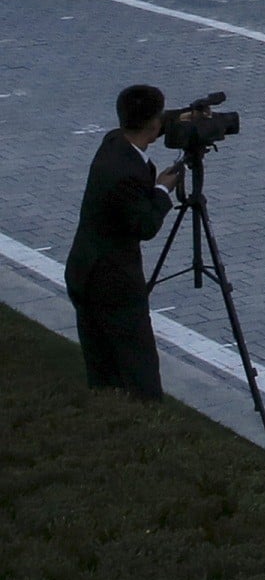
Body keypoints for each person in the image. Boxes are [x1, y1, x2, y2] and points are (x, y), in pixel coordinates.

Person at [64, 84, 180, 400]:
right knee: (137, 364)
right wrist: (162, 190)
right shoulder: (126, 173)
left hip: (85, 270)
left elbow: (150, 121)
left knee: (102, 370)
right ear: (153, 124)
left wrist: (187, 115)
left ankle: (108, 412)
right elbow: (145, 225)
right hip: (112, 282)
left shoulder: (114, 142)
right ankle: (146, 419)